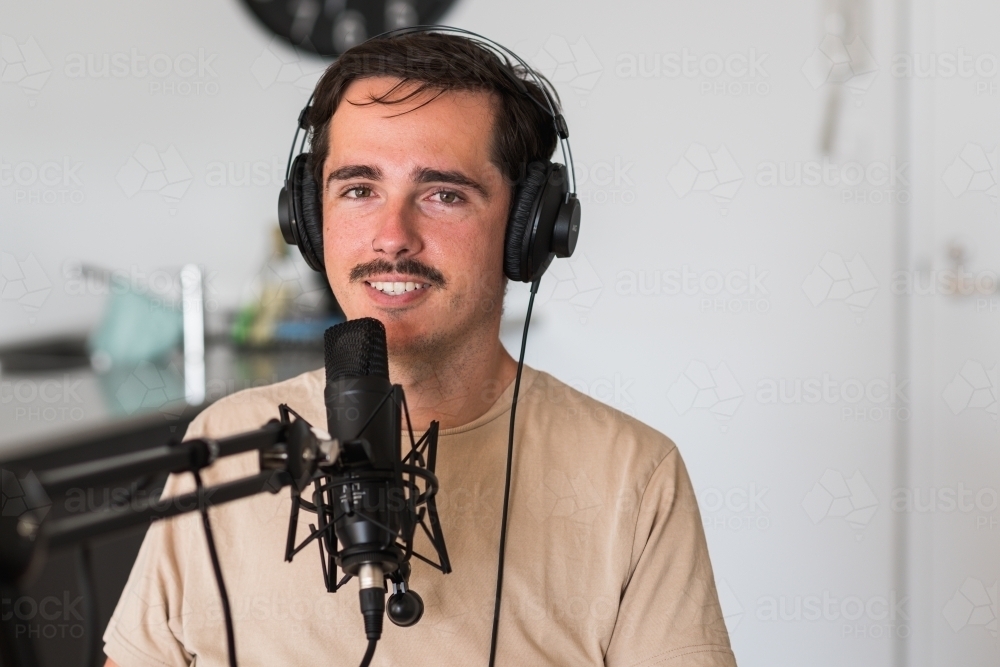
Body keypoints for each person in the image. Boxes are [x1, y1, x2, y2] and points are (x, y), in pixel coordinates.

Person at [103, 31, 736, 667]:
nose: (392, 237)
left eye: (443, 194)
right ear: (309, 216)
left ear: (530, 230)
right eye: (358, 188)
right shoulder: (230, 444)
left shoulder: (632, 475)